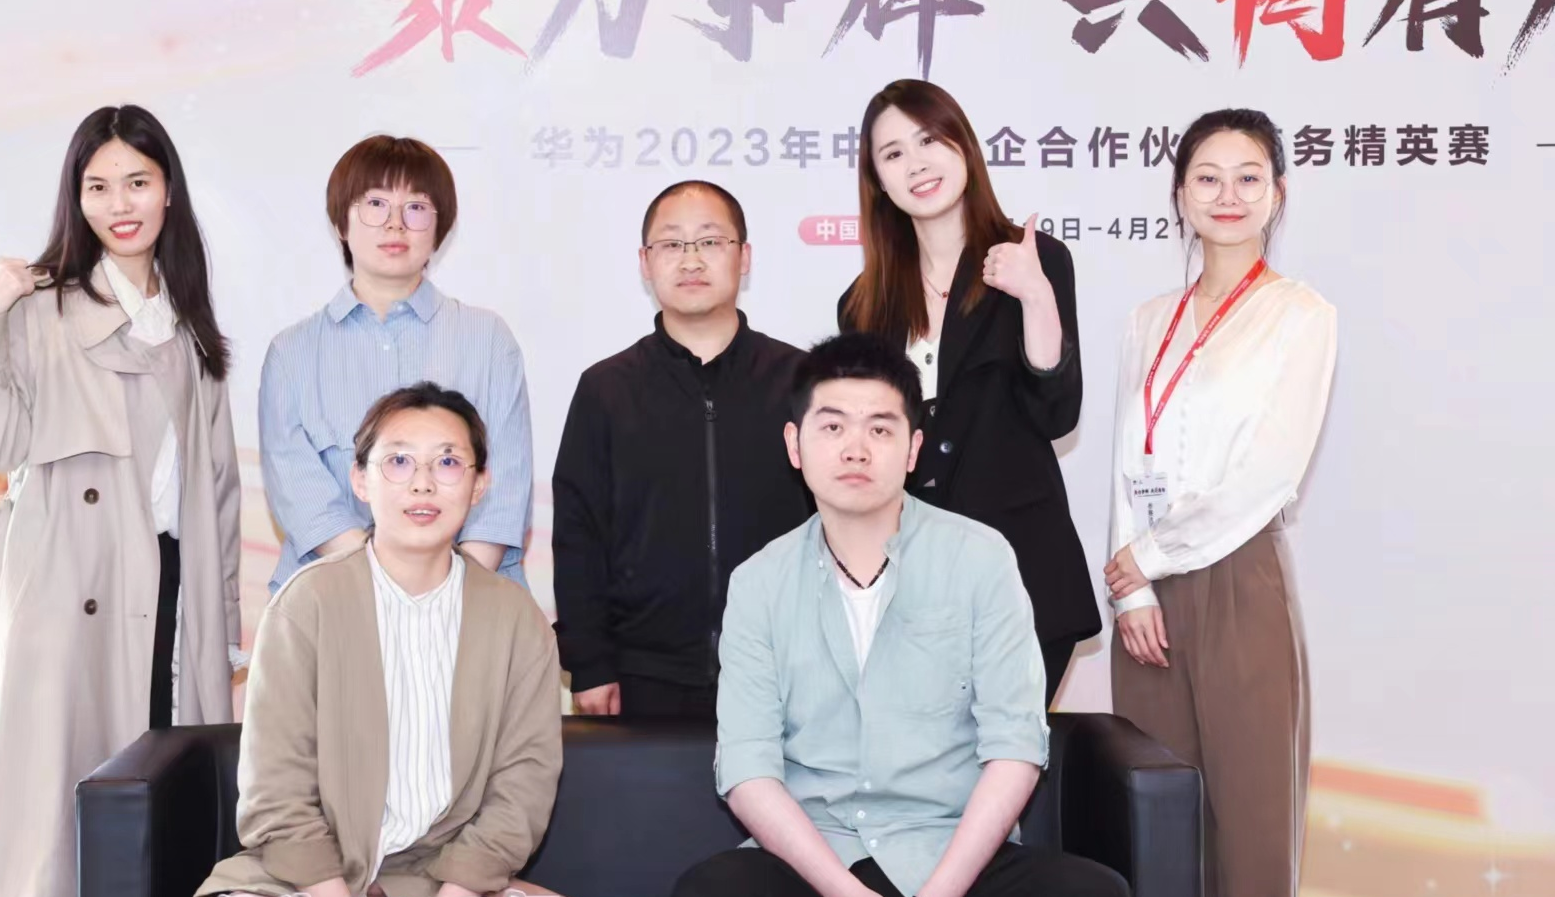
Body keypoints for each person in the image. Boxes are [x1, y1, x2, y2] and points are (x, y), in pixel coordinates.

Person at [669, 333, 1131, 897]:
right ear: (795, 445)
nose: (856, 447)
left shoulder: (979, 557)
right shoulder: (760, 582)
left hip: (950, 853)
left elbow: (1016, 748)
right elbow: (748, 772)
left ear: (913, 449)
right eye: (832, 425)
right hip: (822, 861)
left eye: (880, 428)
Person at [177, 382, 620, 897]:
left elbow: (523, 791)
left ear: (480, 484)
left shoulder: (516, 622)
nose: (422, 483)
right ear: (361, 480)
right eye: (398, 461)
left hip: (442, 882)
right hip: (303, 885)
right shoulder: (306, 605)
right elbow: (274, 794)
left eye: (448, 462)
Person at [0, 105, 243, 897]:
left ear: (169, 192)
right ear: (76, 199)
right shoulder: (38, 310)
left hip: (169, 600)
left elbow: (219, 492)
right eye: (99, 185)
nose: (121, 204)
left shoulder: (190, 325)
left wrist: (225, 625)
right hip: (66, 599)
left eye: (138, 182)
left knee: (158, 817)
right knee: (53, 830)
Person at [1104, 108, 1336, 897]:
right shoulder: (1148, 318)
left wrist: (1153, 551)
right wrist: (1130, 587)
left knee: (1252, 818)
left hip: (1237, 575)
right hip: (1147, 597)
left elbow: (1270, 472)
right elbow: (1126, 458)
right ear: (1179, 195)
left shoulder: (1300, 313)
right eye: (1208, 176)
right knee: (1166, 817)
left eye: (1249, 176)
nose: (1228, 194)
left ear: (1278, 195)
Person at [837, 79, 1099, 703]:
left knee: (1007, 753)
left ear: (964, 147)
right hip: (911, 585)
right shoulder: (863, 304)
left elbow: (1057, 414)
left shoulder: (1034, 260)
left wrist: (1034, 295)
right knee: (926, 758)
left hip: (1022, 572)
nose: (916, 163)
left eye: (929, 140)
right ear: (878, 181)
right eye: (893, 153)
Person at [552, 180, 811, 719]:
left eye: (711, 241)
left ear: (744, 257)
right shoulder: (606, 389)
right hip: (643, 675)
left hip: (787, 669)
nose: (691, 259)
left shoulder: (801, 381)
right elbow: (579, 533)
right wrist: (590, 662)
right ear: (645, 263)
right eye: (672, 244)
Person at [259, 135, 532, 593]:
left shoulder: (489, 341)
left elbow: (502, 492)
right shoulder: (292, 353)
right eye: (375, 204)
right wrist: (388, 595)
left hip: (472, 598)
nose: (395, 224)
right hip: (336, 597)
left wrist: (446, 598)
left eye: (416, 208)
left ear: (439, 227)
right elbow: (303, 500)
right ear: (341, 222)